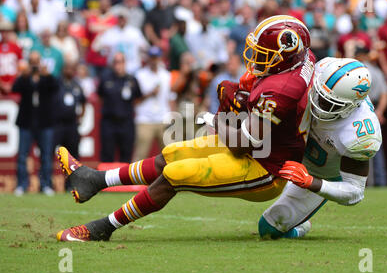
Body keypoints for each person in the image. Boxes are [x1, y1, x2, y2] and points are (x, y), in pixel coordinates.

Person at [55, 15, 315, 242]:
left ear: (286, 57)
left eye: (264, 54)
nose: (256, 59)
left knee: (176, 174)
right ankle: (95, 180)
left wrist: (215, 121)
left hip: (265, 168)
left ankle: (104, 227)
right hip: (262, 144)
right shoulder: (300, 61)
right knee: (173, 153)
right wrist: (243, 99)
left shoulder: (280, 90)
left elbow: (242, 143)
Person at [258, 57, 382, 239]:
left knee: (269, 228)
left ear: (350, 107)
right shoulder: (322, 68)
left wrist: (311, 182)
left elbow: (355, 192)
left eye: (329, 103)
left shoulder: (359, 133)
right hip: (292, 147)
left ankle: (301, 226)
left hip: (319, 172)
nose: (318, 103)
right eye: (318, 94)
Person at [12, 51, 59, 196]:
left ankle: (45, 184)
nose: (34, 64)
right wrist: (23, 75)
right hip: (27, 122)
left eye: (36, 61)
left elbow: (56, 87)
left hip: (44, 123)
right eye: (31, 61)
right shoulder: (25, 78)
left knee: (45, 155)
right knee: (23, 155)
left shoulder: (46, 78)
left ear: (40, 62)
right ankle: (21, 184)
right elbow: (15, 89)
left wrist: (47, 74)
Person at [97, 52, 143, 163]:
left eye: (121, 62)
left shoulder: (132, 80)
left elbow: (138, 98)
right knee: (107, 155)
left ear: (125, 63)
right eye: (116, 62)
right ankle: (106, 180)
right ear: (112, 64)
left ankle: (124, 181)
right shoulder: (105, 79)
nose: (118, 65)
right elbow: (100, 96)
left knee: (126, 155)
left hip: (126, 122)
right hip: (109, 122)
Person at [354, 45, 387, 186]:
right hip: (372, 109)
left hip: (356, 110)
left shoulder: (353, 70)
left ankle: (356, 184)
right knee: (375, 146)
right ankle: (381, 183)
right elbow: (385, 94)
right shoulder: (375, 71)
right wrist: (379, 112)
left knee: (356, 147)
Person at [133, 46, 174, 161]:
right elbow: (136, 99)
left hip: (163, 118)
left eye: (156, 57)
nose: (154, 60)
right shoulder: (140, 76)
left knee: (171, 155)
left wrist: (172, 117)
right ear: (148, 58)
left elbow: (171, 98)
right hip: (145, 119)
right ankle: (135, 179)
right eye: (152, 57)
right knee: (140, 156)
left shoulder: (166, 75)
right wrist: (150, 93)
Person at [52, 60, 86, 191]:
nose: (69, 71)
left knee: (73, 156)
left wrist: (80, 117)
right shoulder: (57, 84)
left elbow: (83, 102)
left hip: (72, 125)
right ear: (63, 69)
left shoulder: (77, 85)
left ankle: (72, 184)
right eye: (67, 69)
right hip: (58, 124)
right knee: (50, 153)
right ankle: (46, 183)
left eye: (72, 69)